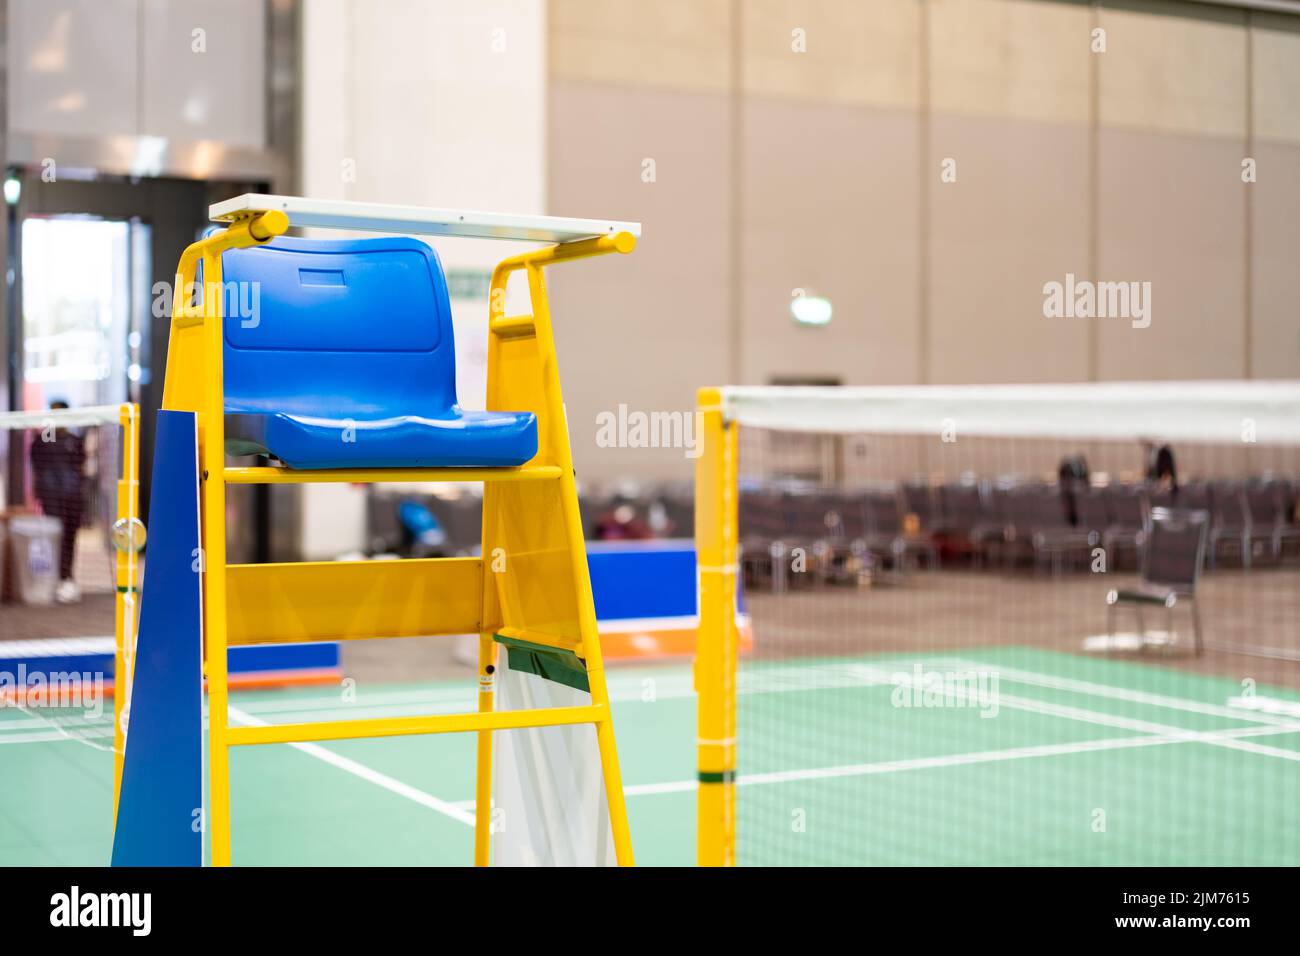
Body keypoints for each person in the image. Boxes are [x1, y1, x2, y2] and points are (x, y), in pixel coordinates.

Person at [29, 400, 87, 604]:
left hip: (72, 499)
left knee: (69, 539)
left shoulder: (74, 440)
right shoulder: (43, 439)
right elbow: (36, 466)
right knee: (53, 539)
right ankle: (51, 580)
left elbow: (81, 468)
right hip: (51, 499)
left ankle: (67, 578)